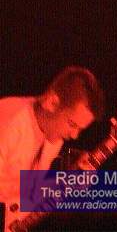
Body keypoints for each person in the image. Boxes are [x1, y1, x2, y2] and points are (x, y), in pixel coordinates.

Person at [0, 65, 105, 228]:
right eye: (72, 124)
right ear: (52, 102)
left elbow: (28, 192)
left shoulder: (52, 137)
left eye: (80, 129)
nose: (74, 136)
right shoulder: (7, 121)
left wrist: (69, 179)